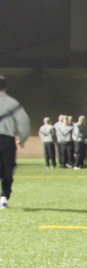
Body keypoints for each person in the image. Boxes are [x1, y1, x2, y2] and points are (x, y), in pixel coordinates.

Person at [0, 75, 30, 209]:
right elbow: (23, 122)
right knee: (8, 167)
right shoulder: (12, 102)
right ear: (5, 87)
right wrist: (22, 138)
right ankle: (4, 197)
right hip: (6, 139)